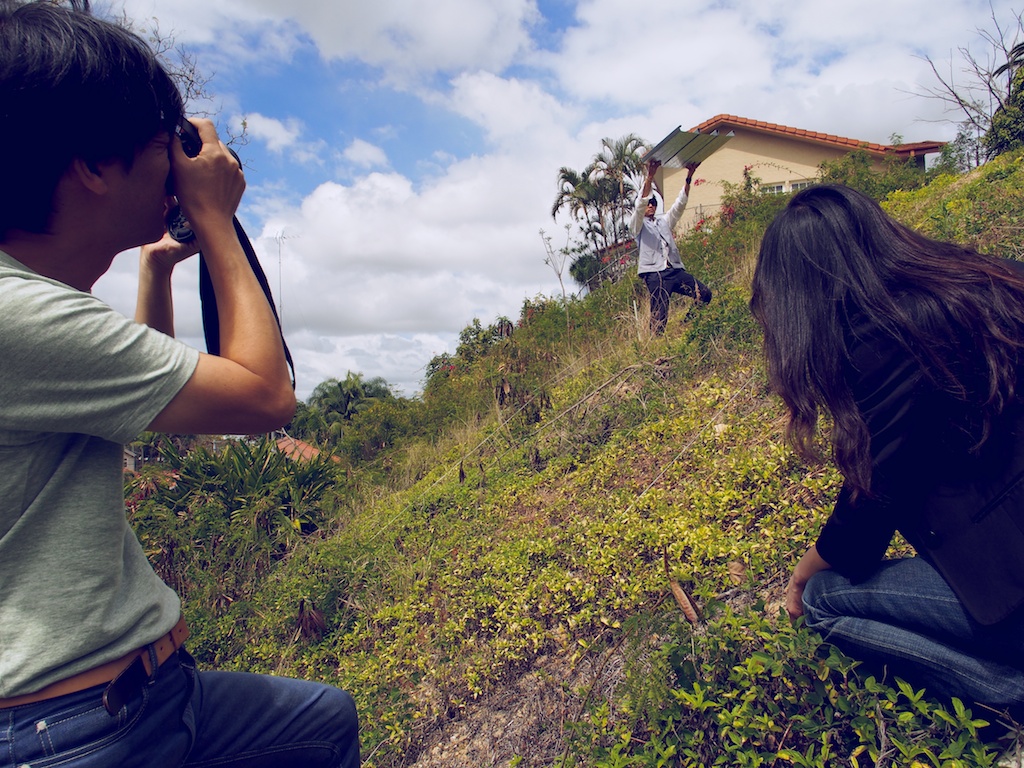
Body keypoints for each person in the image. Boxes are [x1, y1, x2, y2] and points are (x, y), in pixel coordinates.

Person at [0, 2, 360, 766]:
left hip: (140, 699)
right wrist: (215, 219)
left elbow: (140, 402)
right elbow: (264, 396)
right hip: (78, 731)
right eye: (160, 144)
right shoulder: (17, 315)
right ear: (93, 166)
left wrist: (158, 265)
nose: (176, 164)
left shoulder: (31, 310)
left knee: (322, 723)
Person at [750, 183, 1024, 713]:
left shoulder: (886, 341)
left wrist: (803, 573)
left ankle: (1004, 698)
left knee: (824, 601)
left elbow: (870, 512)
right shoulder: (987, 279)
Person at [628, 158, 712, 335]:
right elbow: (639, 205)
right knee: (659, 317)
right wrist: (650, 177)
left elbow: (679, 205)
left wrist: (689, 176)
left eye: (654, 203)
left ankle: (687, 325)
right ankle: (655, 348)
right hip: (654, 274)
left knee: (704, 294)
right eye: (648, 203)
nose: (650, 205)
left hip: (674, 271)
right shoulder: (637, 225)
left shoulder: (664, 222)